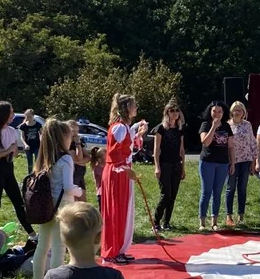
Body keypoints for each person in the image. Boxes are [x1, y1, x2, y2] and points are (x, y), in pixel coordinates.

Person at [32, 119, 83, 279]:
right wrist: (79, 190)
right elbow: (68, 187)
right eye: (70, 136)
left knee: (42, 247)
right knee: (58, 248)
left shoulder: (44, 157)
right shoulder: (66, 158)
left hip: (45, 206)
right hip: (62, 207)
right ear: (63, 138)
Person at [100, 94, 147, 264]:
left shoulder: (124, 127)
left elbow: (126, 148)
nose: (136, 108)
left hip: (121, 171)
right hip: (117, 172)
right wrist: (125, 168)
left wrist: (138, 134)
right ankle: (112, 251)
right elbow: (114, 153)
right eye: (134, 105)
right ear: (126, 107)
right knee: (115, 212)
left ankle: (119, 248)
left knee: (123, 211)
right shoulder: (119, 127)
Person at [0, 101, 36, 238]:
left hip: (8, 169)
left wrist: (12, 152)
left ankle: (32, 234)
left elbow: (14, 152)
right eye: (11, 112)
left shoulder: (12, 131)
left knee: (19, 203)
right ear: (3, 114)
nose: (13, 115)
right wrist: (6, 151)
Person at [198, 101, 235, 231]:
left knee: (217, 193)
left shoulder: (227, 126)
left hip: (223, 163)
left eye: (220, 111)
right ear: (210, 111)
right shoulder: (205, 124)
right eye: (214, 111)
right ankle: (202, 222)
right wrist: (213, 127)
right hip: (207, 162)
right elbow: (205, 142)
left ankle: (214, 222)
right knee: (206, 191)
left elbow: (231, 147)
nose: (217, 114)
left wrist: (233, 163)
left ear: (223, 113)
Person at [151, 100, 185, 231]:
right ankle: (156, 221)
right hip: (164, 164)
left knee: (173, 195)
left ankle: (167, 222)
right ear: (167, 113)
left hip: (177, 164)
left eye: (177, 111)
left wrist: (183, 168)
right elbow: (156, 149)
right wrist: (157, 166)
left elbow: (182, 149)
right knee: (165, 194)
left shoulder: (179, 129)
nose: (175, 113)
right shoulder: (161, 128)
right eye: (172, 111)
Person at [225, 101, 256, 227]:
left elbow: (253, 143)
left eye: (240, 110)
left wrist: (254, 161)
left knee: (242, 189)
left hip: (245, 160)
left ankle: (241, 216)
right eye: (235, 110)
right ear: (231, 112)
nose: (237, 112)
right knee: (230, 188)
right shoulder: (227, 125)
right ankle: (229, 216)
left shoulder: (247, 125)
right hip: (231, 161)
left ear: (243, 112)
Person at [67, 120, 90, 203]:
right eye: (73, 131)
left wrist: (81, 161)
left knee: (83, 201)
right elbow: (78, 157)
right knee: (74, 201)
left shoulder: (80, 141)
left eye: (77, 131)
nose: (75, 133)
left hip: (81, 174)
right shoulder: (67, 143)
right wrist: (77, 144)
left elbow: (88, 157)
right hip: (73, 174)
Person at [19, 109, 42, 174]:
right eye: (27, 116)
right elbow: (22, 137)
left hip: (37, 145)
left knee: (37, 162)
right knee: (30, 163)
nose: (28, 118)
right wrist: (25, 144)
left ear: (33, 116)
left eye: (30, 117)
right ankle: (30, 175)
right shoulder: (23, 126)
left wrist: (41, 140)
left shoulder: (38, 125)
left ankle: (38, 174)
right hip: (28, 147)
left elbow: (41, 134)